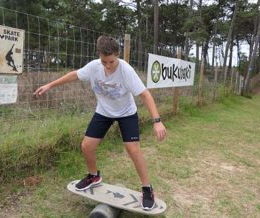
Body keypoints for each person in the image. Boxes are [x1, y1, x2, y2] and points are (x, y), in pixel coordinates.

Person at [34, 35, 167, 210]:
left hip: (126, 113)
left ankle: (147, 189)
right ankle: (94, 176)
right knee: (86, 146)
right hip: (104, 111)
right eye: (104, 61)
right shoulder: (94, 67)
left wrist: (157, 121)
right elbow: (74, 75)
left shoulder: (126, 71)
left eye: (111, 61)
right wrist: (50, 85)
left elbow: (145, 94)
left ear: (117, 55)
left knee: (133, 149)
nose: (108, 65)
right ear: (99, 56)